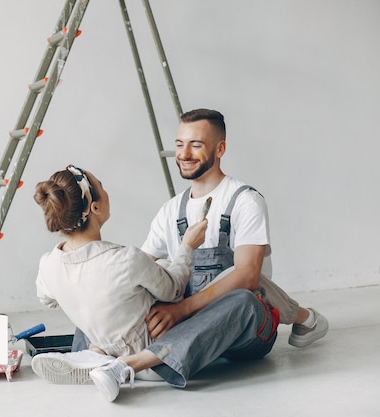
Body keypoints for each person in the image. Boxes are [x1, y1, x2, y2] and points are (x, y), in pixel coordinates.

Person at [34, 110, 328, 402]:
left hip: (241, 330)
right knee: (108, 290)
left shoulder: (245, 201)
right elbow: (140, 270)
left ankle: (125, 364)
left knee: (244, 299)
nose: (184, 154)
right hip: (189, 329)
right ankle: (99, 355)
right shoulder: (171, 210)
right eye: (178, 144)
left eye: (196, 145)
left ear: (220, 148)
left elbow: (249, 276)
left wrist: (180, 310)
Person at [31, 164, 208, 383]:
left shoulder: (48, 264)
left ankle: (95, 355)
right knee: (239, 300)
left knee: (89, 295)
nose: (106, 192)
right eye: (101, 186)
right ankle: (119, 365)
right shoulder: (126, 259)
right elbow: (174, 289)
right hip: (154, 361)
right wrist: (187, 246)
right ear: (94, 208)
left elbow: (47, 299)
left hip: (105, 343)